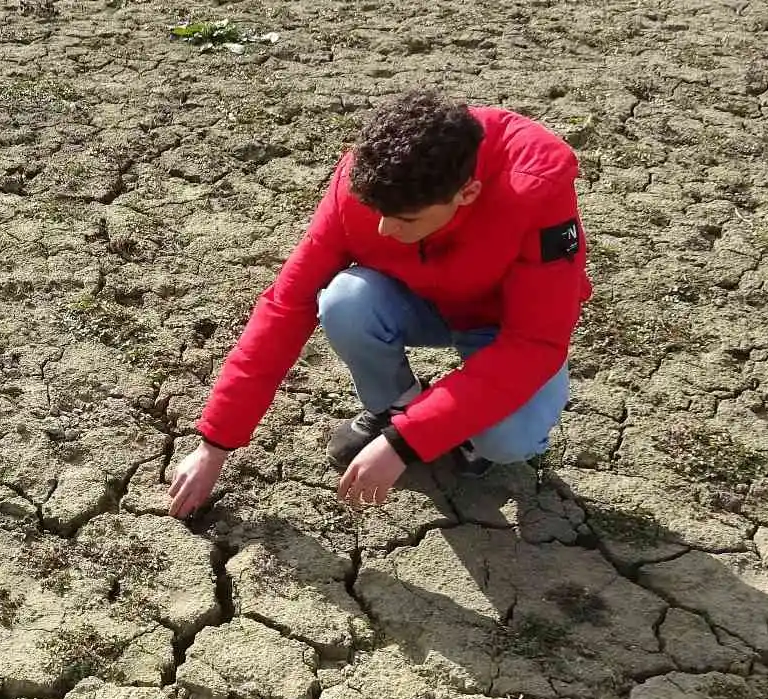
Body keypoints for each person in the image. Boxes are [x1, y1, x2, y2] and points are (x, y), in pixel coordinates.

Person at [169, 89, 590, 518]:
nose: (385, 230)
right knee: (345, 300)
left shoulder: (536, 189)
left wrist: (406, 443)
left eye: (407, 219)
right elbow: (284, 307)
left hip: (499, 324)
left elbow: (533, 345)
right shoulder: (371, 179)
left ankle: (454, 435)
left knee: (509, 440)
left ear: (466, 193)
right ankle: (397, 408)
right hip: (419, 300)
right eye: (378, 212)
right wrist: (214, 445)